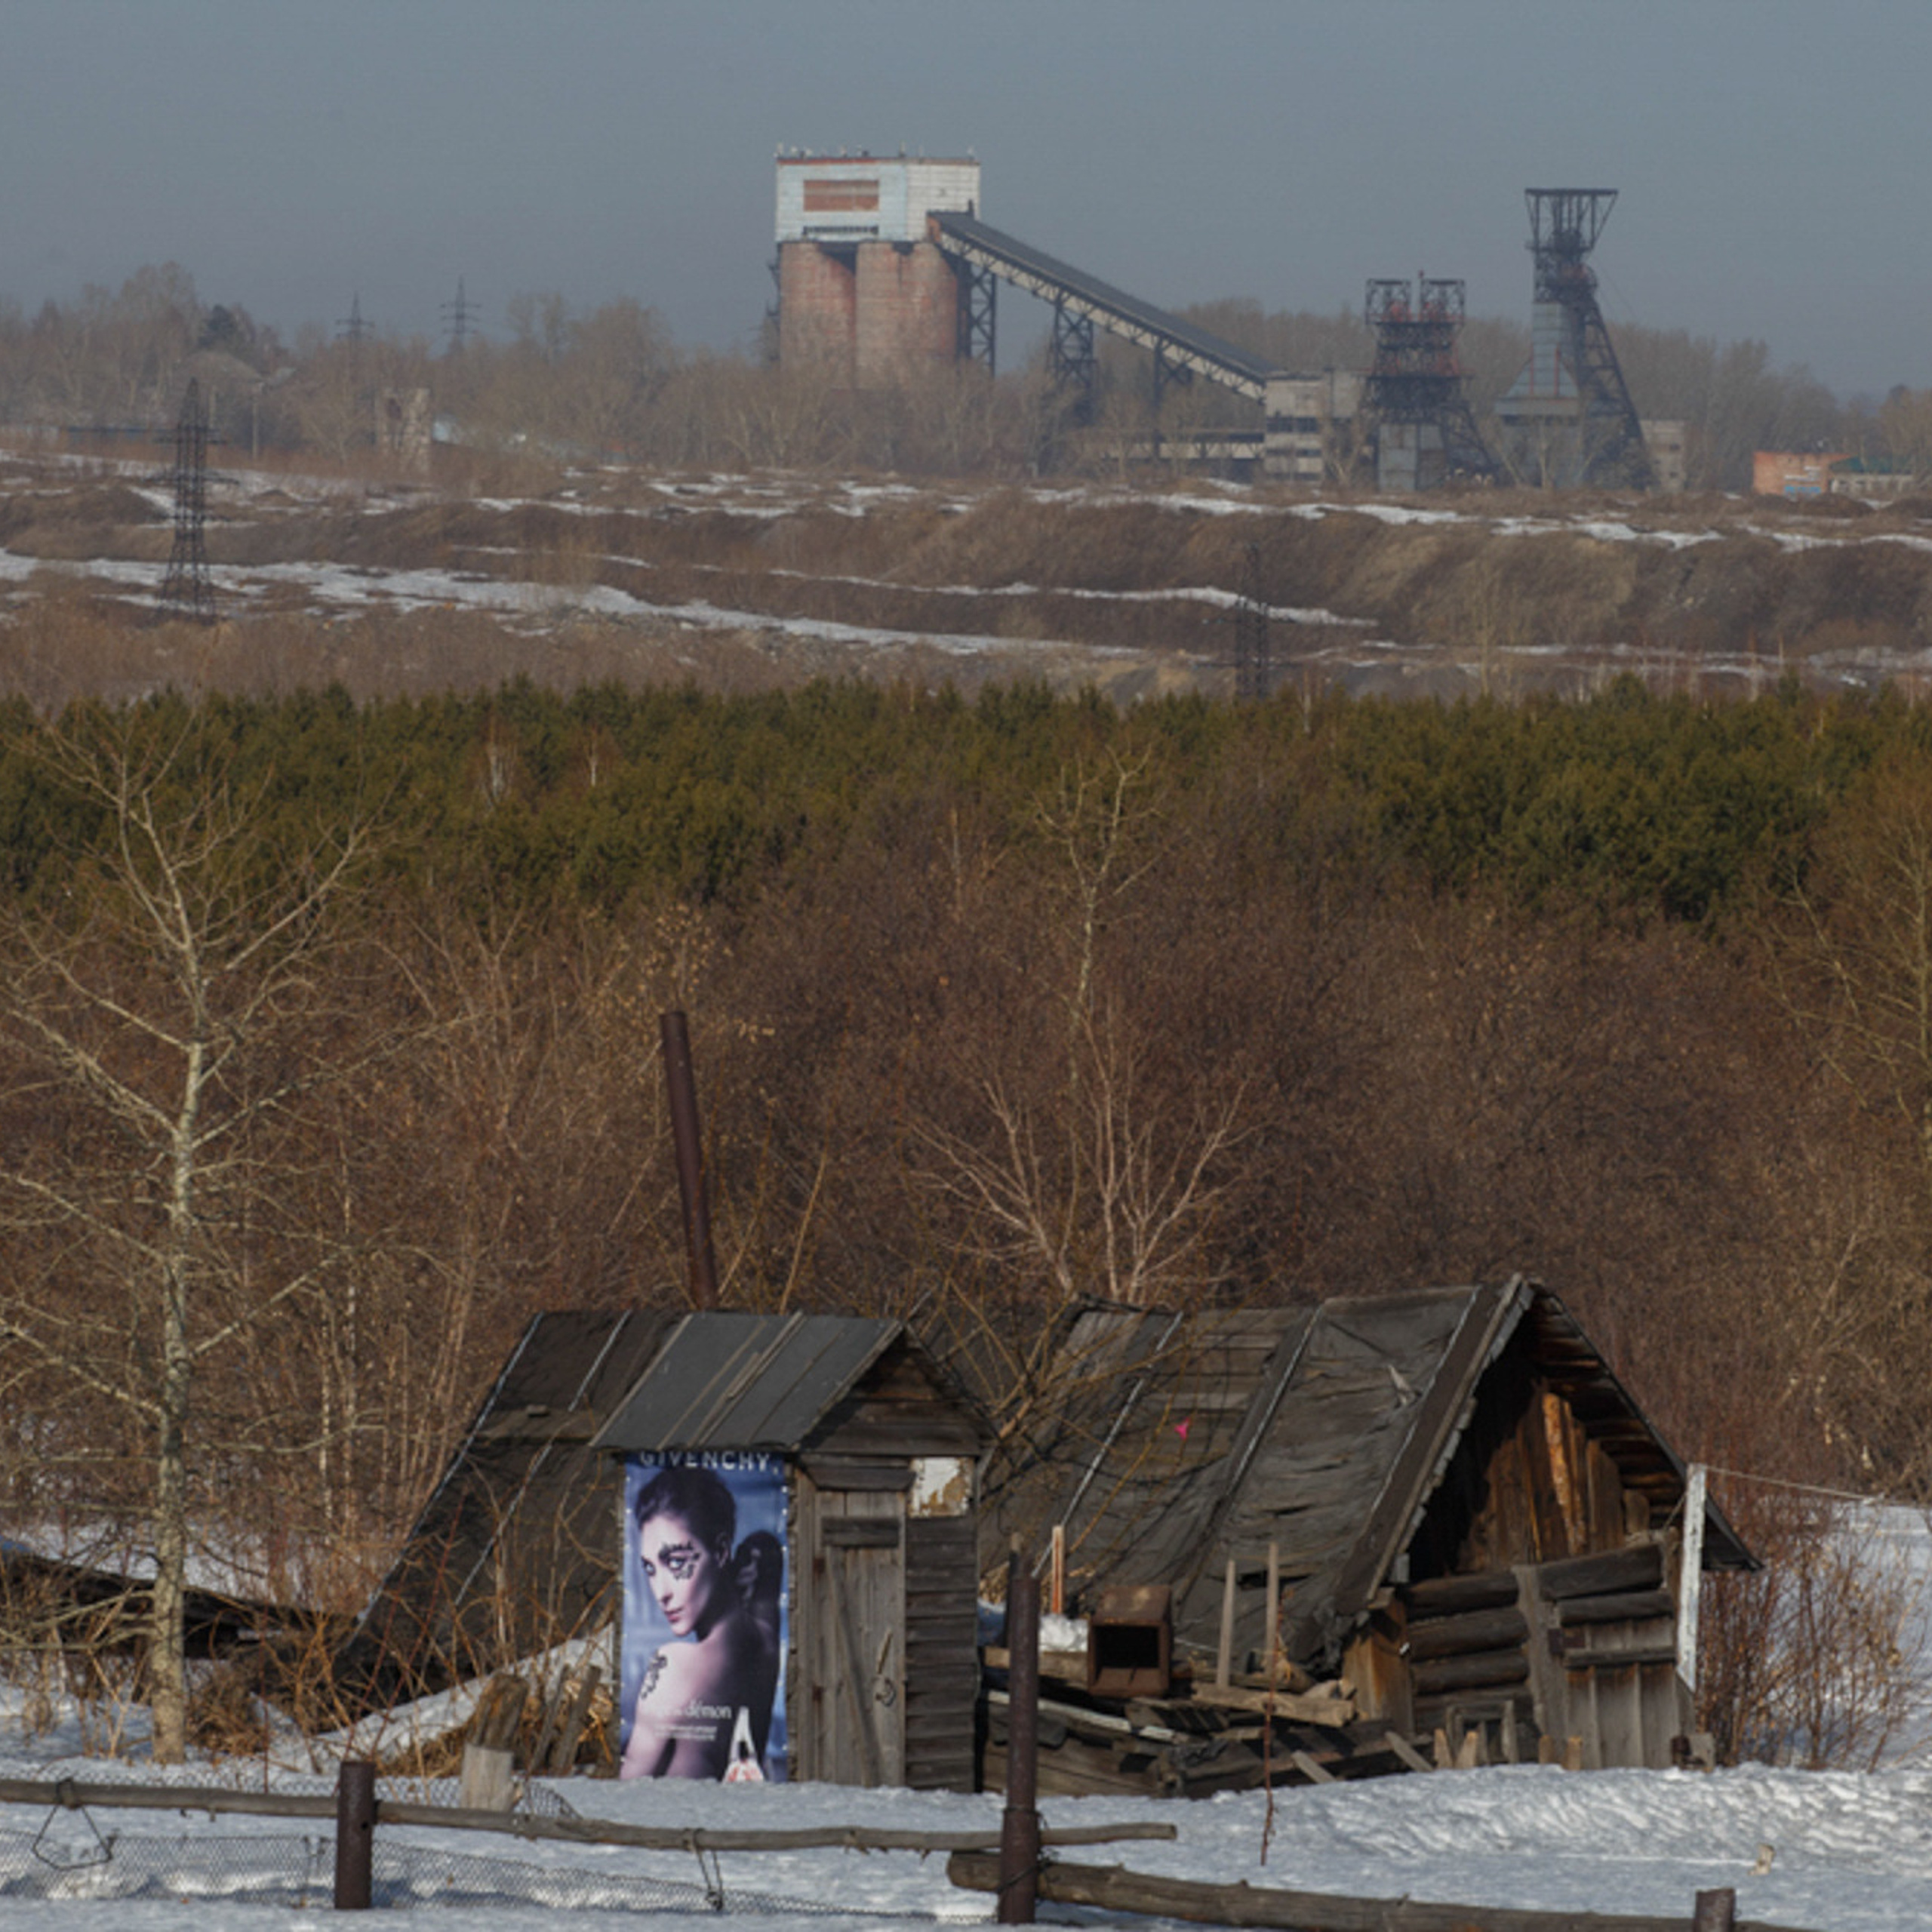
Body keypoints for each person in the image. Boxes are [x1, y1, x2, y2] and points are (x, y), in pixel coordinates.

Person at [620, 1466, 780, 1780]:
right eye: (651, 1569)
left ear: (721, 1551)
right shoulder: (765, 1643)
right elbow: (768, 1546)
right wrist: (731, 1576)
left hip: (673, 1823)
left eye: (676, 1562)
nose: (661, 1593)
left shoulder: (673, 1664)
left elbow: (628, 1786)